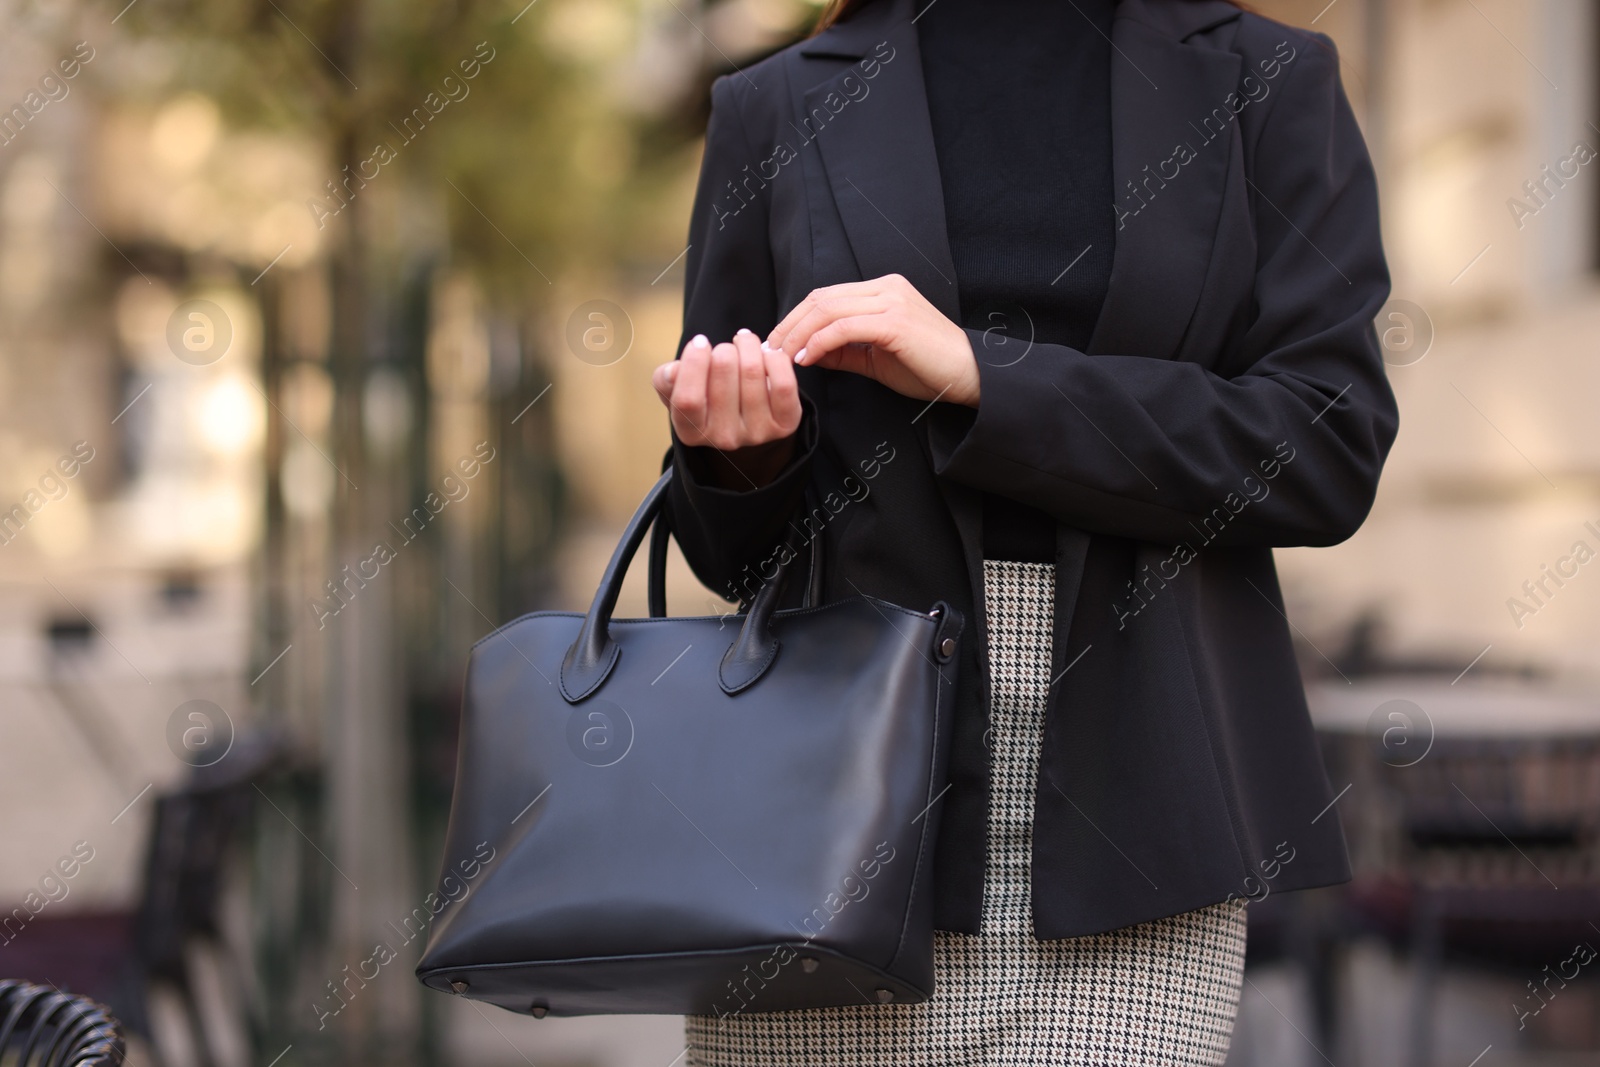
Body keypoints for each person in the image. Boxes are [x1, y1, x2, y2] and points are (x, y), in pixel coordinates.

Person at [651, 0, 1397, 1061]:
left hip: (1139, 833)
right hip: (825, 829)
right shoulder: (775, 102)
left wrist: (983, 376)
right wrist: (740, 451)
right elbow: (732, 554)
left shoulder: (1264, 80)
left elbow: (1324, 445)